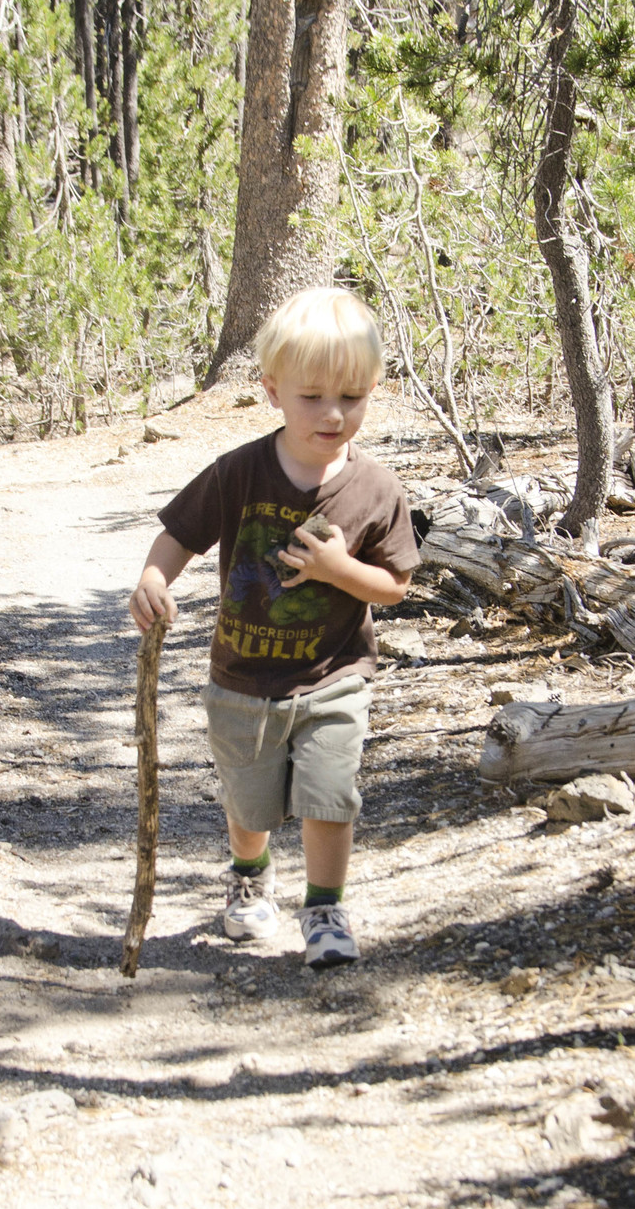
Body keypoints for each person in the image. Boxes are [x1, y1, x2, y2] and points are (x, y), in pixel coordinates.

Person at [128, 288, 420, 969]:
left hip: (334, 676)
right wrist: (152, 579)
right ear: (271, 390)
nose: (333, 412)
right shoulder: (239, 472)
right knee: (251, 804)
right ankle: (248, 877)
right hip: (243, 678)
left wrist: (339, 568)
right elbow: (180, 533)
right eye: (312, 395)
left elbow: (396, 587)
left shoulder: (378, 489)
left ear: (375, 388)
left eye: (352, 395)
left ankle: (325, 908)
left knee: (329, 794)